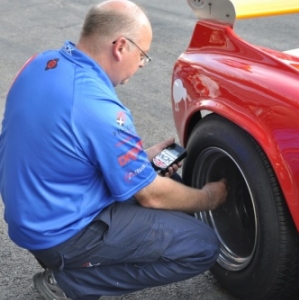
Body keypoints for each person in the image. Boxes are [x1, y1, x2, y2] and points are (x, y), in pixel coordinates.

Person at [0, 1, 228, 299]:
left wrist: (139, 160)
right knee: (202, 245)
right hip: (62, 234)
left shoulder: (39, 63)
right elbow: (151, 196)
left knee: (169, 184)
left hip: (35, 215)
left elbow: (63, 144)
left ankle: (75, 263)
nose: (141, 65)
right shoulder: (100, 108)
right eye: (143, 56)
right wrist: (209, 198)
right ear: (121, 46)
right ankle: (70, 283)